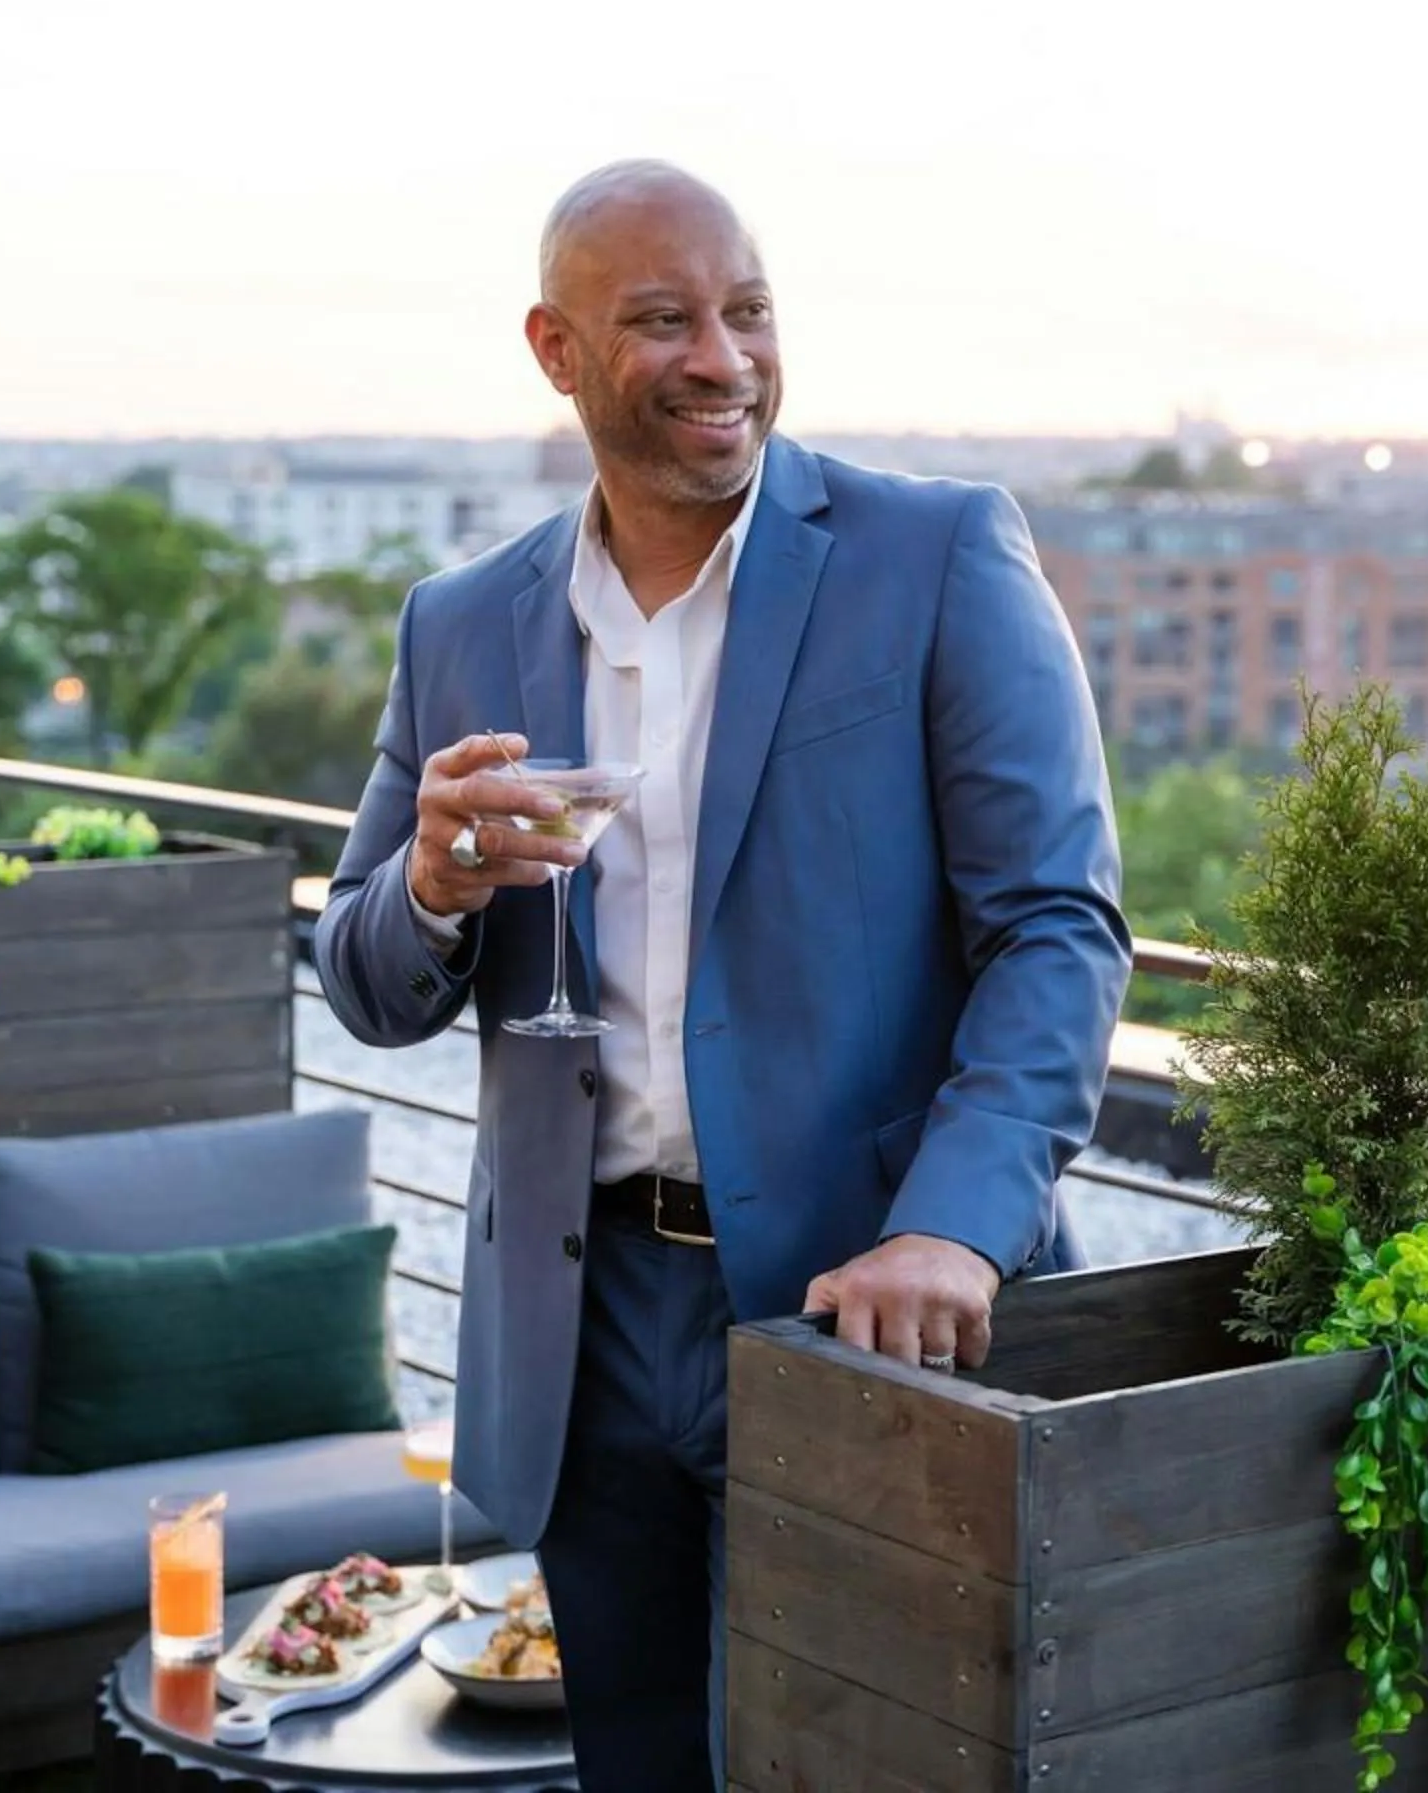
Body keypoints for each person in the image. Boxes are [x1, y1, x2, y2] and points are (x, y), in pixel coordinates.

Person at [312, 160, 1129, 1793]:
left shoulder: (937, 555)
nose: (724, 359)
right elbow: (367, 983)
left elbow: (1058, 929)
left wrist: (954, 1225)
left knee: (882, 1762)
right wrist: (434, 882)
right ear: (557, 350)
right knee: (636, 1766)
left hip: (865, 1310)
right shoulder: (462, 624)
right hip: (586, 1321)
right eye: (665, 320)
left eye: (748, 313)